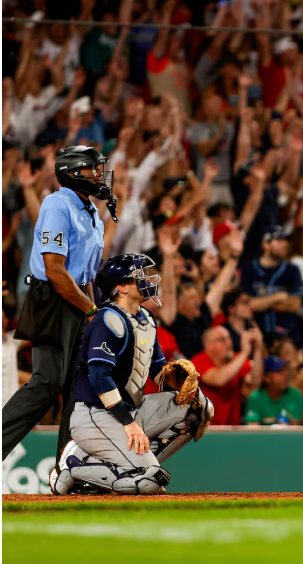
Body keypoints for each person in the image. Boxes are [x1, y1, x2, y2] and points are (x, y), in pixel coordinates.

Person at [49, 253, 213, 495]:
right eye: (139, 277)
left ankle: (119, 462)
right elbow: (99, 377)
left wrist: (177, 378)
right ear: (122, 287)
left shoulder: (146, 318)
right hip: (95, 416)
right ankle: (74, 466)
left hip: (130, 411)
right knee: (150, 481)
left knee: (198, 405)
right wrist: (129, 424)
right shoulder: (108, 319)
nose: (147, 279)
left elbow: (157, 371)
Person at [3, 145, 116, 463]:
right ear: (73, 172)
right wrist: (91, 310)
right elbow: (54, 269)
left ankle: (69, 468)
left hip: (80, 300)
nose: (100, 175)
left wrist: (94, 316)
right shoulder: (56, 204)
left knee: (79, 390)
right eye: (93, 169)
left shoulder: (92, 211)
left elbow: (88, 275)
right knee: (47, 382)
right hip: (52, 299)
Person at [240, 227, 303, 344]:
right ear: (266, 244)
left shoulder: (292, 270)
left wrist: (260, 303)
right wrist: (277, 297)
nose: (284, 244)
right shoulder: (249, 269)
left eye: (285, 240)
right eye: (279, 240)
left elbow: (295, 304)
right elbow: (247, 305)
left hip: (287, 337)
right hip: (256, 336)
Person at [192, 325, 264, 426]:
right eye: (222, 340)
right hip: (204, 430)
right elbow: (219, 379)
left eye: (229, 337)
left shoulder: (237, 360)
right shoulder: (199, 361)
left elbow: (255, 382)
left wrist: (257, 349)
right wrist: (245, 353)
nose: (229, 342)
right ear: (209, 345)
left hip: (231, 428)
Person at [243, 356, 303, 425]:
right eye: (279, 371)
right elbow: (253, 429)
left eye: (285, 370)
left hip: (287, 435)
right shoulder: (255, 397)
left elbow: (295, 430)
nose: (285, 374)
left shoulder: (295, 395)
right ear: (267, 377)